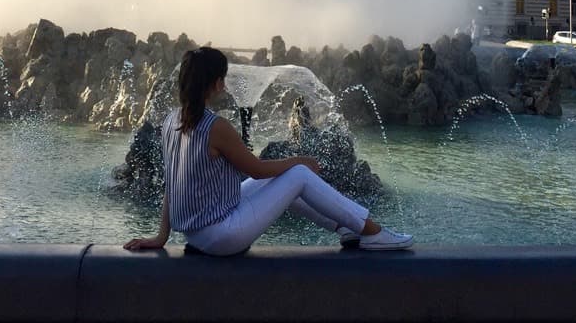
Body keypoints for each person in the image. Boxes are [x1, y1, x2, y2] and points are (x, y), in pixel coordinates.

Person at [124, 46, 413, 255]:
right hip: (222, 236)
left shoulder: (171, 120)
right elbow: (256, 169)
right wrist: (300, 159)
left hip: (194, 236)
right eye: (222, 78)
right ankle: (371, 231)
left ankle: (347, 228)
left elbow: (172, 184)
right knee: (298, 174)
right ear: (215, 83)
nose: (224, 84)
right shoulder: (215, 126)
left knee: (284, 181)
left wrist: (161, 237)